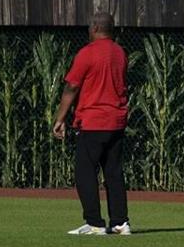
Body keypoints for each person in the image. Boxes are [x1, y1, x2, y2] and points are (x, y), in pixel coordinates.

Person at [53, 13, 131, 235]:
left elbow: (72, 87)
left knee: (85, 172)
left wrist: (60, 118)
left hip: (93, 121)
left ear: (95, 27)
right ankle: (120, 222)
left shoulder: (87, 54)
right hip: (116, 120)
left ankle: (95, 222)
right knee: (114, 172)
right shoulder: (120, 53)